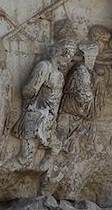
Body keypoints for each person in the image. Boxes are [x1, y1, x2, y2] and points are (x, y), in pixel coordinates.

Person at [16, 38, 78, 166]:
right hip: (36, 114)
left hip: (50, 117)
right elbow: (29, 90)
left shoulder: (59, 74)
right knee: (26, 156)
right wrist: (32, 91)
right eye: (68, 56)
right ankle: (5, 169)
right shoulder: (44, 67)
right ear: (61, 53)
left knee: (55, 147)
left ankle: (41, 170)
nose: (69, 60)